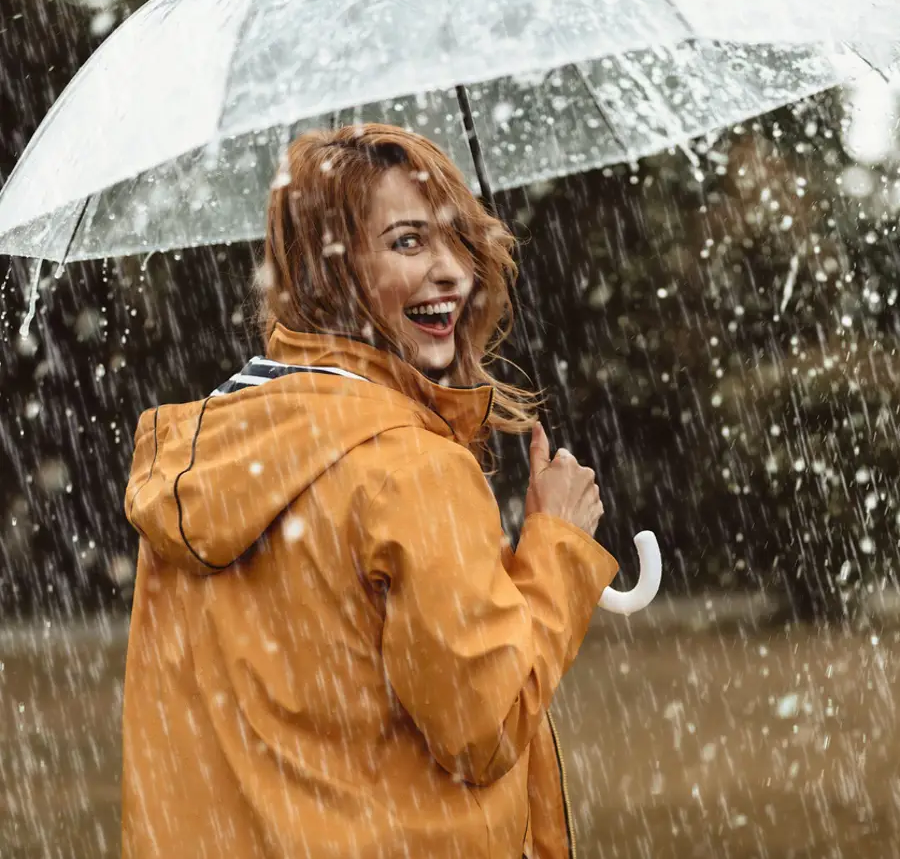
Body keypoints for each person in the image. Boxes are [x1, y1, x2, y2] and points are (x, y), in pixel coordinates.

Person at [121, 123, 618, 858]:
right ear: (328, 272)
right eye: (408, 242)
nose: (453, 272)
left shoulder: (215, 452)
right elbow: (482, 728)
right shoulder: (409, 469)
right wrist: (558, 550)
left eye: (459, 240)